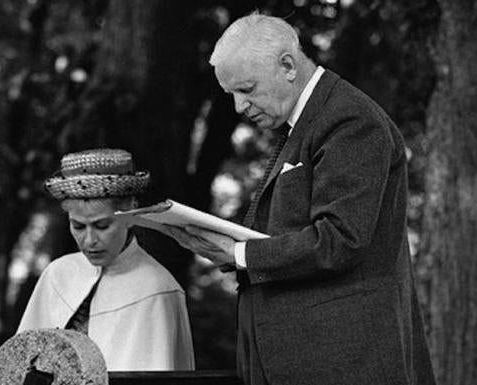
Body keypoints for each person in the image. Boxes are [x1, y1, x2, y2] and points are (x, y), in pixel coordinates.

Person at [165, 13, 436, 385]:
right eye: (232, 95)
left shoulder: (350, 119)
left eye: (246, 89)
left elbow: (340, 240)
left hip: (344, 363)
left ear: (288, 65)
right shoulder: (310, 119)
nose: (239, 107)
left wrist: (238, 254)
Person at [17, 148, 195, 371]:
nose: (90, 240)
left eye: (102, 226)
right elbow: (20, 369)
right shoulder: (57, 274)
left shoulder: (158, 288)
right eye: (78, 226)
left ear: (131, 214)